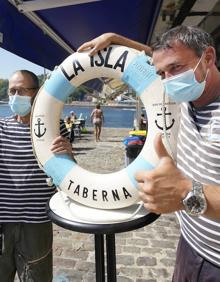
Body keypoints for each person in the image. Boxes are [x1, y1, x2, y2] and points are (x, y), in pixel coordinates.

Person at [78, 26, 220, 281]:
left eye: (175, 68)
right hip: (189, 246)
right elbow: (155, 57)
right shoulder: (184, 98)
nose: (167, 80)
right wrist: (116, 37)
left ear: (208, 58)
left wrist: (187, 192)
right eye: (161, 73)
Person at [0, 70, 74, 282]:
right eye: (12, 90)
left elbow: (66, 176)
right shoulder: (1, 127)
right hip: (2, 224)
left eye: (22, 90)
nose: (15, 96)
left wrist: (69, 155)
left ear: (37, 93)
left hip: (37, 223)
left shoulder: (55, 127)